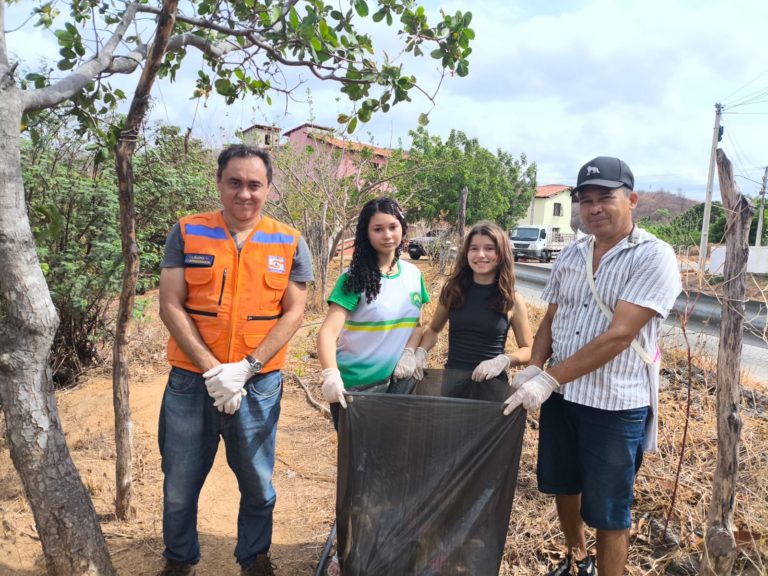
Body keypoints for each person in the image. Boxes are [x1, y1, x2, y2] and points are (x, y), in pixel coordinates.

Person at [503, 157, 682, 576]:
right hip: (562, 398)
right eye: (586, 200)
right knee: (563, 486)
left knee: (609, 509)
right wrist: (536, 364)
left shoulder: (654, 256)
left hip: (614, 405)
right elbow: (552, 318)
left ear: (632, 200)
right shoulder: (572, 253)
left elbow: (621, 335)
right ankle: (578, 558)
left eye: (606, 198)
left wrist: (546, 378)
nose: (594, 208)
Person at [157, 145, 314, 576]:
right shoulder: (187, 232)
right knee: (180, 485)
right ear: (219, 183)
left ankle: (254, 557)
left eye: (255, 185)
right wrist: (213, 370)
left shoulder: (290, 241)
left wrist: (246, 368)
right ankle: (179, 560)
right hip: (192, 383)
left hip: (259, 385)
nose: (244, 194)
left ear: (268, 189)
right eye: (235, 183)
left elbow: (295, 312)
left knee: (257, 483)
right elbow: (170, 305)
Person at [316, 197, 429, 576]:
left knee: (394, 471)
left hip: (397, 388)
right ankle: (347, 550)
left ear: (403, 228)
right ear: (366, 233)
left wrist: (411, 353)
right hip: (358, 395)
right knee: (360, 473)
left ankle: (384, 542)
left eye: (392, 226)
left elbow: (418, 322)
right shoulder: (354, 278)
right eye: (377, 228)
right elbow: (327, 333)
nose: (386, 234)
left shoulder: (414, 275)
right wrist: (331, 374)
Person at [416, 221, 533, 385]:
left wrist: (504, 360)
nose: (481, 255)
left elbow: (528, 349)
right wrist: (421, 351)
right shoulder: (452, 290)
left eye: (489, 248)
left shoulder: (511, 299)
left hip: (491, 388)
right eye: (474, 248)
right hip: (452, 385)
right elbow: (434, 329)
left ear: (501, 254)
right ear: (466, 253)